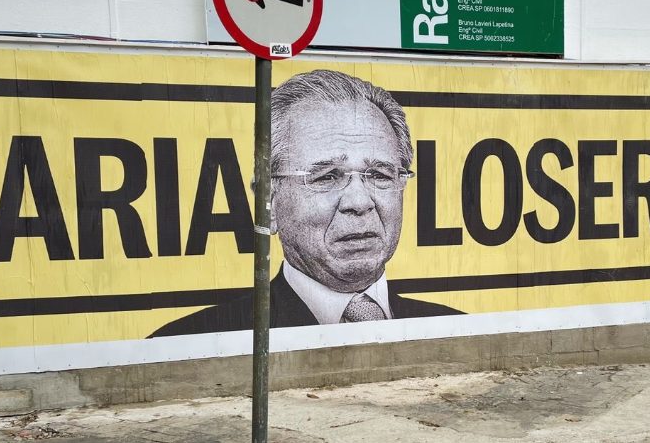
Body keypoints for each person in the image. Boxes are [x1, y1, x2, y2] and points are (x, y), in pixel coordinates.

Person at [151, 69, 460, 336]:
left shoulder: (455, 330)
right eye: (327, 177)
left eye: (379, 174)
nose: (359, 201)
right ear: (267, 203)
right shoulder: (192, 344)